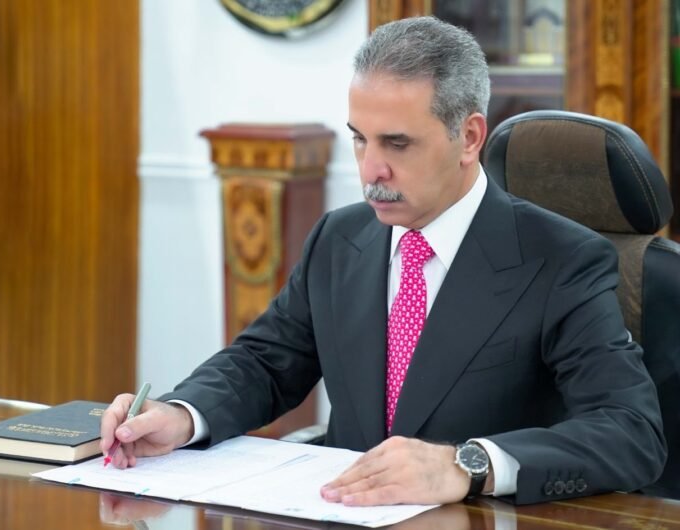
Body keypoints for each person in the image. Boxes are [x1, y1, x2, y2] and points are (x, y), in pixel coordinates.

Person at [101, 16, 666, 506]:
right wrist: (182, 414)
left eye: (397, 144)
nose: (371, 169)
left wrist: (467, 465)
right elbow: (265, 363)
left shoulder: (563, 260)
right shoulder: (340, 238)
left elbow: (630, 433)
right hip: (345, 511)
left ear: (469, 137)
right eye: (360, 139)